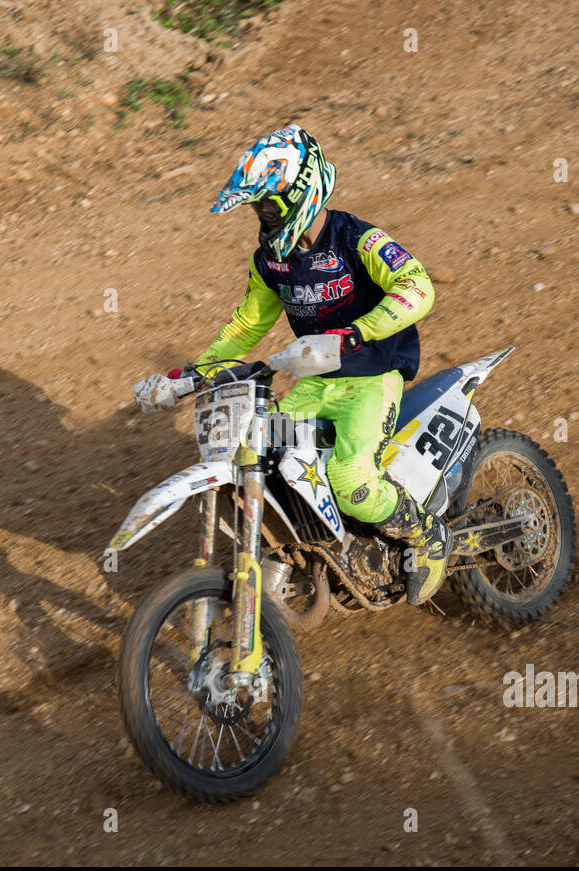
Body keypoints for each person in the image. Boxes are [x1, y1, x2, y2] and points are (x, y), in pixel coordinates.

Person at [176, 123, 450, 604]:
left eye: (266, 204)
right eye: (256, 206)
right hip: (314, 381)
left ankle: (428, 536)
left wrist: (359, 331)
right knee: (261, 453)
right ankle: (298, 547)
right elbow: (246, 325)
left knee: (349, 478)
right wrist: (195, 373)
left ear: (298, 195)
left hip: (371, 380)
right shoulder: (271, 261)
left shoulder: (358, 240)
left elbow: (418, 287)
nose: (261, 215)